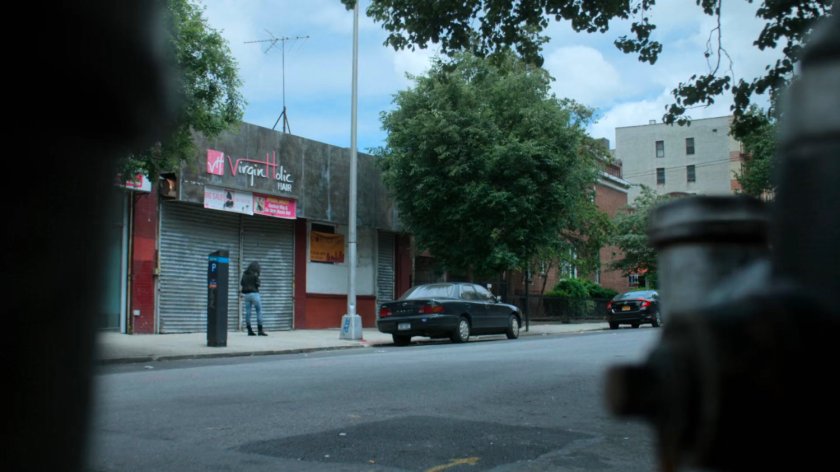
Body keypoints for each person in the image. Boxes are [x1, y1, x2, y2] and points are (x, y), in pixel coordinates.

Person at [240, 261, 267, 336]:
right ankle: (260, 330)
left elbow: (242, 283)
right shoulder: (255, 274)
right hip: (255, 294)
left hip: (247, 295)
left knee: (248, 313)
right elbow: (258, 284)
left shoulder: (244, 274)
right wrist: (258, 279)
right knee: (259, 311)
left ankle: (249, 330)